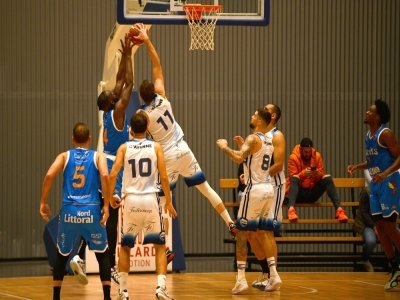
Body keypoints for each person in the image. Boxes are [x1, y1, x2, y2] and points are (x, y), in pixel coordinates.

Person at [134, 23, 237, 235]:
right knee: (206, 189)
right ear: (154, 91)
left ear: (140, 97)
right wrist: (147, 41)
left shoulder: (142, 115)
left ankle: (161, 238)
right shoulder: (162, 96)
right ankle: (229, 222)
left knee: (162, 200)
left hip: (168, 157)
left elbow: (139, 136)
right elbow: (157, 65)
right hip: (183, 149)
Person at [109, 111, 177, 300]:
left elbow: (112, 174)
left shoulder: (124, 148)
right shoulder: (156, 147)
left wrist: (108, 198)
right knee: (160, 246)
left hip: (130, 201)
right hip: (150, 199)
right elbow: (164, 177)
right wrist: (169, 203)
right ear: (148, 127)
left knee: (125, 247)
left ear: (130, 129)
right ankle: (160, 289)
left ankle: (123, 291)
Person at [39, 123, 111, 300]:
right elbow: (105, 176)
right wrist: (107, 206)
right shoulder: (97, 156)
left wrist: (43, 202)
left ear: (72, 139)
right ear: (90, 139)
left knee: (62, 254)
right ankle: (107, 297)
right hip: (91, 212)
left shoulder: (64, 156)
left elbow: (49, 175)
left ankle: (56, 296)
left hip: (69, 212)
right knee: (103, 254)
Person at [217, 108, 282, 294]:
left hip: (254, 191)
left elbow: (239, 157)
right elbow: (253, 160)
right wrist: (242, 146)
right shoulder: (269, 140)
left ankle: (241, 279)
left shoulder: (253, 138)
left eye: (254, 115)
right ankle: (274, 274)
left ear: (260, 121)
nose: (251, 116)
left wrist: (224, 147)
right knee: (265, 233)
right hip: (269, 189)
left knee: (241, 234)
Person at [348, 99, 400, 290]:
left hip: (390, 182)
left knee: (389, 224)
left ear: (377, 116)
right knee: (379, 225)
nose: (366, 113)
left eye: (370, 112)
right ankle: (394, 266)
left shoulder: (385, 133)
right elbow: (372, 161)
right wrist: (358, 166)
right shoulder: (368, 136)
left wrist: (385, 174)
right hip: (376, 184)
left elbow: (399, 156)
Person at [233, 104, 286, 291]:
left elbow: (278, 165)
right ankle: (268, 274)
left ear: (271, 116)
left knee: (263, 232)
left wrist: (256, 176)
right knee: (254, 233)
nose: (258, 111)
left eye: (264, 109)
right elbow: (254, 158)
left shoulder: (276, 135)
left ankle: (270, 275)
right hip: (262, 185)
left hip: (272, 186)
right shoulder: (262, 137)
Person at [95, 33, 134, 285]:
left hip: (106, 165)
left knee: (106, 215)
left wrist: (124, 55)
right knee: (112, 220)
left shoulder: (109, 113)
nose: (114, 91)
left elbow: (120, 81)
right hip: (114, 171)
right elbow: (128, 84)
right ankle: (108, 264)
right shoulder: (118, 113)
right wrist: (129, 55)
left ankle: (102, 261)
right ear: (112, 101)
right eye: (112, 94)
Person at [286, 137, 349, 222]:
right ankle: (291, 211)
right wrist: (303, 174)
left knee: (328, 178)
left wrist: (316, 174)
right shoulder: (293, 158)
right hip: (298, 194)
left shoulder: (317, 156)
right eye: (305, 152)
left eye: (309, 152)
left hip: (312, 193)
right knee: (294, 178)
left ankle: (339, 211)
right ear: (300, 149)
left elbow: (321, 175)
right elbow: (292, 179)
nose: (307, 154)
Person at [353, 171, 377, 272]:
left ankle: (394, 262)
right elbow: (364, 213)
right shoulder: (366, 192)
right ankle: (365, 259)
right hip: (366, 224)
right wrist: (375, 226)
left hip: (384, 223)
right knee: (371, 241)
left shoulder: (388, 191)